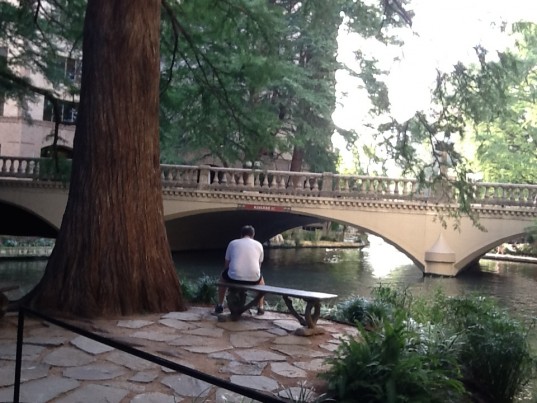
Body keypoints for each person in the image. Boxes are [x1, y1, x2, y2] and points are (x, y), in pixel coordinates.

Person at [215, 225, 265, 315]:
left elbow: (226, 264)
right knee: (261, 282)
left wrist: (231, 274)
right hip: (253, 279)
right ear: (253, 235)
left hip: (233, 278)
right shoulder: (259, 245)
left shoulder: (232, 243)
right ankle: (260, 307)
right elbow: (259, 266)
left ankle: (220, 305)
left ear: (241, 234)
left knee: (222, 278)